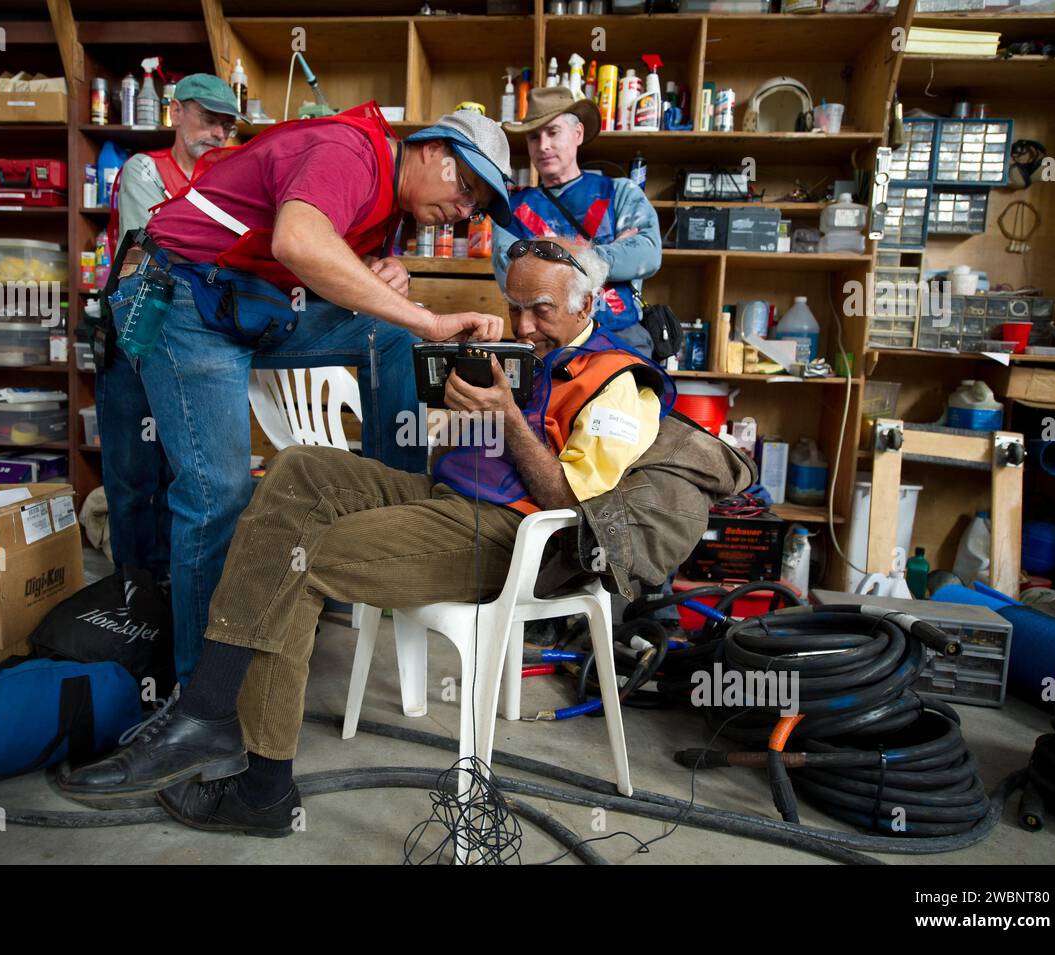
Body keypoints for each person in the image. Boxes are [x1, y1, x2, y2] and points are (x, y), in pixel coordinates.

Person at [59, 239, 690, 836]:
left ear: (587, 304)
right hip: (450, 500)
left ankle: (256, 780)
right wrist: (458, 410)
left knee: (295, 564)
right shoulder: (529, 358)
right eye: (517, 307)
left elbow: (577, 503)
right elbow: (466, 457)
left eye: (542, 310)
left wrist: (506, 420)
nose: (524, 326)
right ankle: (212, 713)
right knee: (298, 467)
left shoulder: (620, 382)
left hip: (518, 539)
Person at [109, 106, 514, 685]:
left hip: (246, 304)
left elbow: (322, 254)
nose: (465, 207)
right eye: (466, 186)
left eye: (476, 204)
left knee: (390, 332)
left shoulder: (389, 204)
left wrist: (382, 272)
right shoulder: (350, 151)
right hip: (179, 296)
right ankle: (201, 704)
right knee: (216, 495)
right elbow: (298, 240)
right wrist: (425, 319)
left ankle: (386, 517)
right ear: (429, 150)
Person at [91, 74, 241, 585]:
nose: (218, 133)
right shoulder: (143, 171)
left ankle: (178, 588)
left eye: (226, 124)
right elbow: (155, 251)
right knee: (133, 475)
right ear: (175, 112)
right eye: (207, 119)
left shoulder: (229, 181)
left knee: (189, 475)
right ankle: (135, 589)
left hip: (194, 341)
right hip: (136, 339)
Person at [492, 86, 662, 358]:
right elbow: (510, 275)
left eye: (553, 132)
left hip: (619, 337)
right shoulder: (511, 207)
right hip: (548, 343)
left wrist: (544, 261)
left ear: (578, 134)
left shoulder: (621, 192)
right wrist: (608, 255)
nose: (543, 145)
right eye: (534, 137)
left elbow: (647, 255)